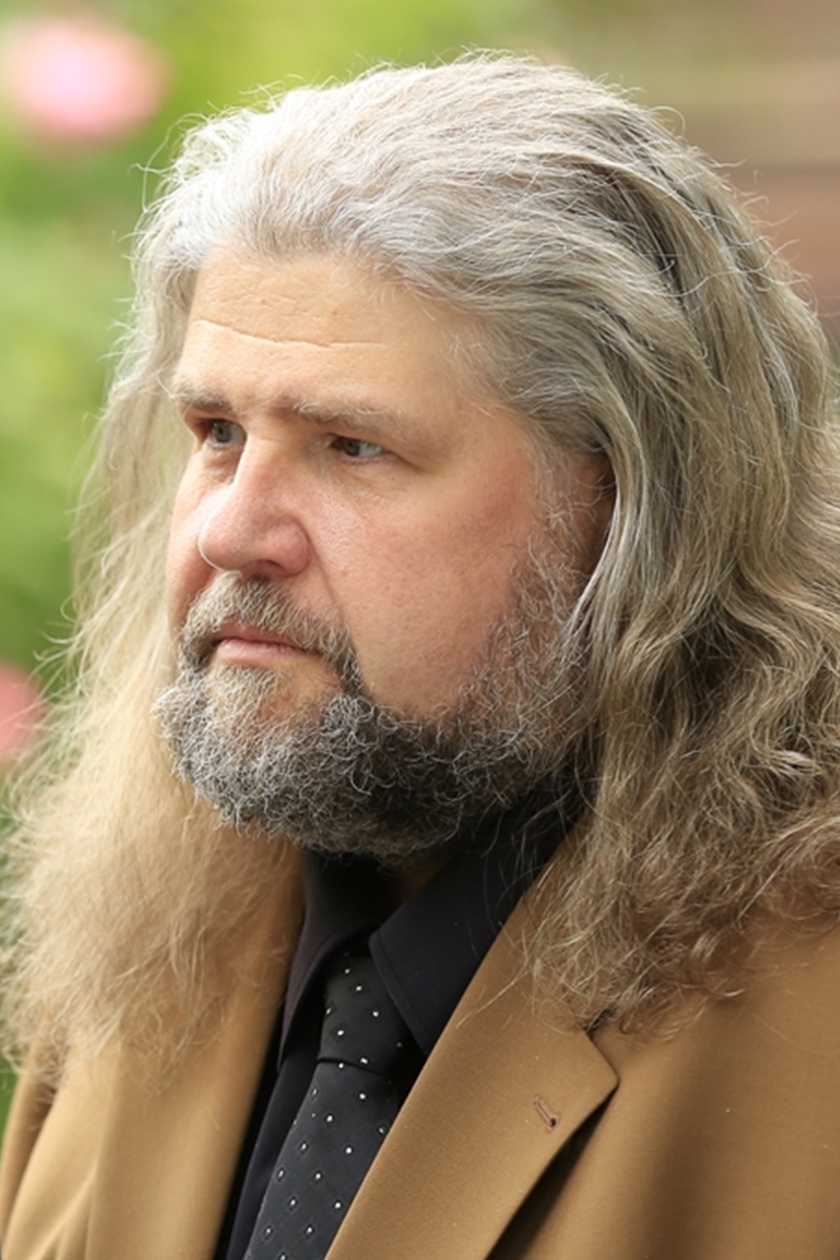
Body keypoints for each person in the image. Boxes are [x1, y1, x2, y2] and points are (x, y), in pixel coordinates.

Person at [2, 52, 840, 1260]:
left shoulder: (805, 1042)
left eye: (352, 446)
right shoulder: (147, 942)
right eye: (218, 431)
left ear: (631, 512)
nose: (230, 531)